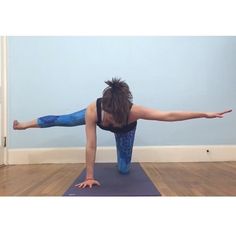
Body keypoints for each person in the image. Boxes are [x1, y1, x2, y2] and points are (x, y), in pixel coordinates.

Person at [13, 78, 232, 188]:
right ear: (104, 108)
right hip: (91, 115)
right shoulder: (93, 110)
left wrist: (204, 114)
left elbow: (169, 115)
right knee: (66, 120)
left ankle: (123, 161)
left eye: (113, 117)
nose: (109, 121)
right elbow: (91, 145)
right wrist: (90, 176)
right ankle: (24, 124)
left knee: (124, 169)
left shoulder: (135, 112)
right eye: (107, 116)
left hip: (127, 132)